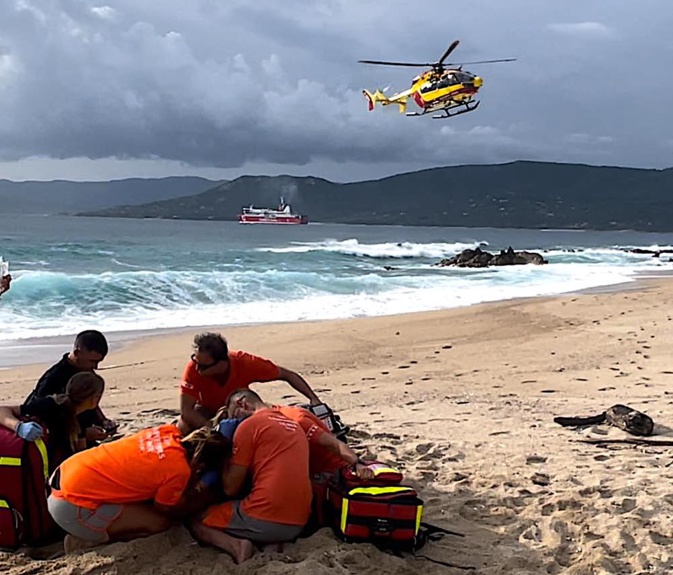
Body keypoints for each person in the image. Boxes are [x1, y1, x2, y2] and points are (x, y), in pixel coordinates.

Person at [47, 423, 229, 554]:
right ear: (202, 466)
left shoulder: (167, 431)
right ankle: (83, 540)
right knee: (158, 524)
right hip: (70, 507)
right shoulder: (178, 471)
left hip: (65, 473)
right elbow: (168, 509)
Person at [190, 397, 312, 564]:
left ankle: (236, 546)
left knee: (197, 520)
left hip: (267, 518)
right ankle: (270, 542)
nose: (234, 420)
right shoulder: (293, 425)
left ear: (241, 403)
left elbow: (230, 488)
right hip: (299, 522)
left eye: (232, 414)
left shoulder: (249, 426)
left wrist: (226, 457)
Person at [178, 332, 322, 435]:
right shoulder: (193, 368)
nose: (197, 369)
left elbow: (288, 375)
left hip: (239, 410)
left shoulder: (246, 363)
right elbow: (186, 411)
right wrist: (211, 428)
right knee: (182, 427)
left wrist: (313, 398)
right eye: (195, 361)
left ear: (222, 363)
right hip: (206, 411)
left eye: (203, 367)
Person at [224, 389, 373, 482]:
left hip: (330, 473)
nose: (237, 422)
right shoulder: (273, 417)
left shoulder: (294, 419)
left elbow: (333, 444)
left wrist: (357, 463)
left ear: (242, 404)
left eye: (236, 416)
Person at [24, 330, 116, 442]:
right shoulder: (53, 379)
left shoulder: (86, 370)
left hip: (81, 436)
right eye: (92, 361)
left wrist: (102, 421)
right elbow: (44, 418)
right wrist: (83, 433)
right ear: (77, 353)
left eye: (98, 362)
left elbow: (88, 400)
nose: (95, 366)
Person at [0, 372, 105, 470]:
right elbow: (2, 410)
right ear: (95, 399)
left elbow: (80, 453)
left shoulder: (81, 415)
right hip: (42, 473)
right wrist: (18, 427)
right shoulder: (50, 406)